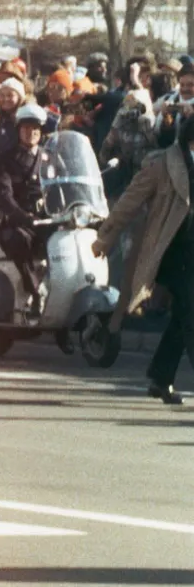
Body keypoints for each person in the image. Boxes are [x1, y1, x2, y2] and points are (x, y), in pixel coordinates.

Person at [93, 113, 194, 405]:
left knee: (182, 318)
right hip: (170, 252)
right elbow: (129, 202)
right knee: (192, 312)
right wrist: (105, 237)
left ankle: (161, 378)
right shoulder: (161, 164)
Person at [0, 103, 50, 313]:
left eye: (35, 128)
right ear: (18, 130)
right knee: (18, 239)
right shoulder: (5, 159)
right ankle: (33, 290)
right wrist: (24, 217)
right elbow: (3, 195)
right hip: (16, 221)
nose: (30, 133)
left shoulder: (49, 158)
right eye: (25, 128)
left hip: (46, 219)